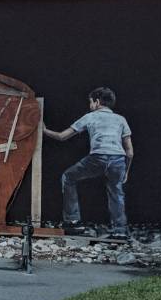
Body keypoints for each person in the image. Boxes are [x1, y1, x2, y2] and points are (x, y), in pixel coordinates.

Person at [44, 87, 133, 240]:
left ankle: (73, 221)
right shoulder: (121, 119)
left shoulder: (90, 116)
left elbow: (62, 136)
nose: (90, 105)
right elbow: (130, 152)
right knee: (116, 192)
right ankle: (120, 231)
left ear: (97, 102)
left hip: (98, 158)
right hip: (118, 160)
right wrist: (126, 171)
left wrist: (45, 131)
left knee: (68, 177)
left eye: (90, 102)